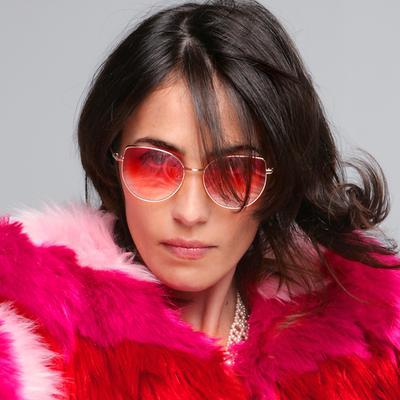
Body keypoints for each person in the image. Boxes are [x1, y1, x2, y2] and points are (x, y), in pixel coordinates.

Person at [1, 0, 399, 399]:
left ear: (278, 178)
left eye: (233, 171)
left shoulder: (369, 343)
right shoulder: (29, 330)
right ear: (113, 161)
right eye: (155, 163)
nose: (190, 212)